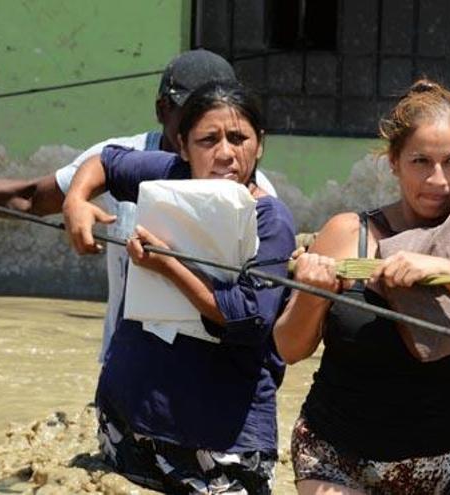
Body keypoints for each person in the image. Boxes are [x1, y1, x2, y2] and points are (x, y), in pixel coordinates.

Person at [0, 49, 277, 362]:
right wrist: (74, 199)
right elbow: (30, 198)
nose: (219, 145)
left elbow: (257, 312)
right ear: (163, 110)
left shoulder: (255, 196)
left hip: (212, 370)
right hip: (129, 364)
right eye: (195, 115)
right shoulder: (123, 161)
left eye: (230, 128)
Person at [273, 80, 450, 494]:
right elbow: (288, 348)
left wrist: (447, 272)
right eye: (420, 162)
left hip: (442, 464)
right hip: (336, 455)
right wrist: (310, 292)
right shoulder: (350, 234)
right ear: (394, 162)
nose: (437, 179)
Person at [61, 80, 294, 493]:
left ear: (259, 145)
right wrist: (76, 201)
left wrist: (169, 266)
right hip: (129, 420)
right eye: (209, 139)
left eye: (239, 138)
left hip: (220, 439)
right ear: (182, 146)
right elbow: (106, 162)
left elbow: (248, 318)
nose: (225, 153)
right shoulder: (170, 174)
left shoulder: (269, 220)